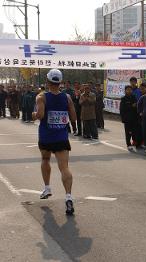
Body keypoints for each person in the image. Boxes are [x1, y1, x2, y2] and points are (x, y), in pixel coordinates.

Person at [32, 69, 77, 215]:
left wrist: (33, 115)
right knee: (64, 167)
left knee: (45, 159)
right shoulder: (67, 98)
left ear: (47, 81)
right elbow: (74, 118)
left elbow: (40, 115)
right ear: (60, 82)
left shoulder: (41, 97)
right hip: (61, 137)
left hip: (46, 136)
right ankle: (69, 197)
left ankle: (47, 187)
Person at [120, 85, 139, 151]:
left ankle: (134, 144)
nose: (129, 91)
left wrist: (134, 106)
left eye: (130, 90)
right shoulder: (123, 99)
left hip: (134, 118)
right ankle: (128, 144)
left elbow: (136, 106)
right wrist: (131, 106)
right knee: (128, 133)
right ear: (125, 91)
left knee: (134, 132)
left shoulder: (134, 97)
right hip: (127, 119)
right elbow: (122, 109)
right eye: (127, 89)